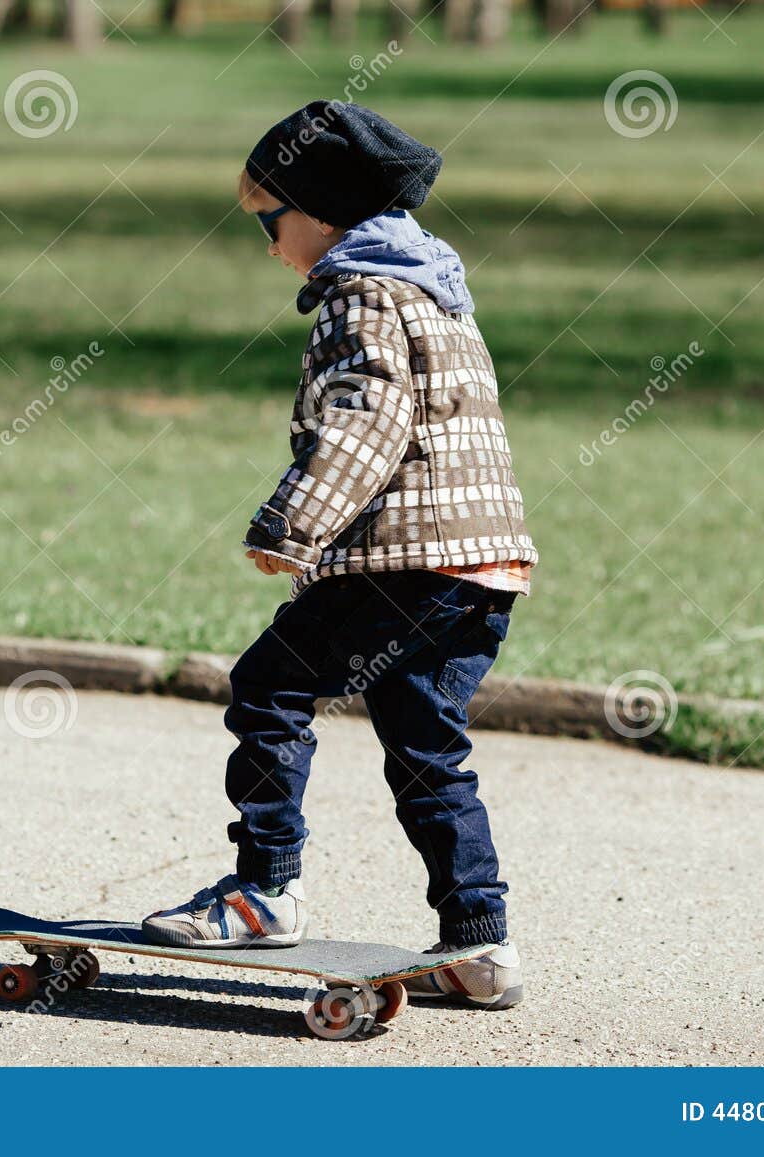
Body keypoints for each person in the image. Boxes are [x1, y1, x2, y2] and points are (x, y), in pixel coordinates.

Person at [139, 101, 537, 1009]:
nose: (268, 243)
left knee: (270, 684)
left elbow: (367, 419)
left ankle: (263, 890)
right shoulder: (439, 291)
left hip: (404, 564)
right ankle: (481, 944)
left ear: (321, 213)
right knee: (426, 746)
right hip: (481, 568)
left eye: (269, 222)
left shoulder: (361, 295)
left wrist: (294, 523)